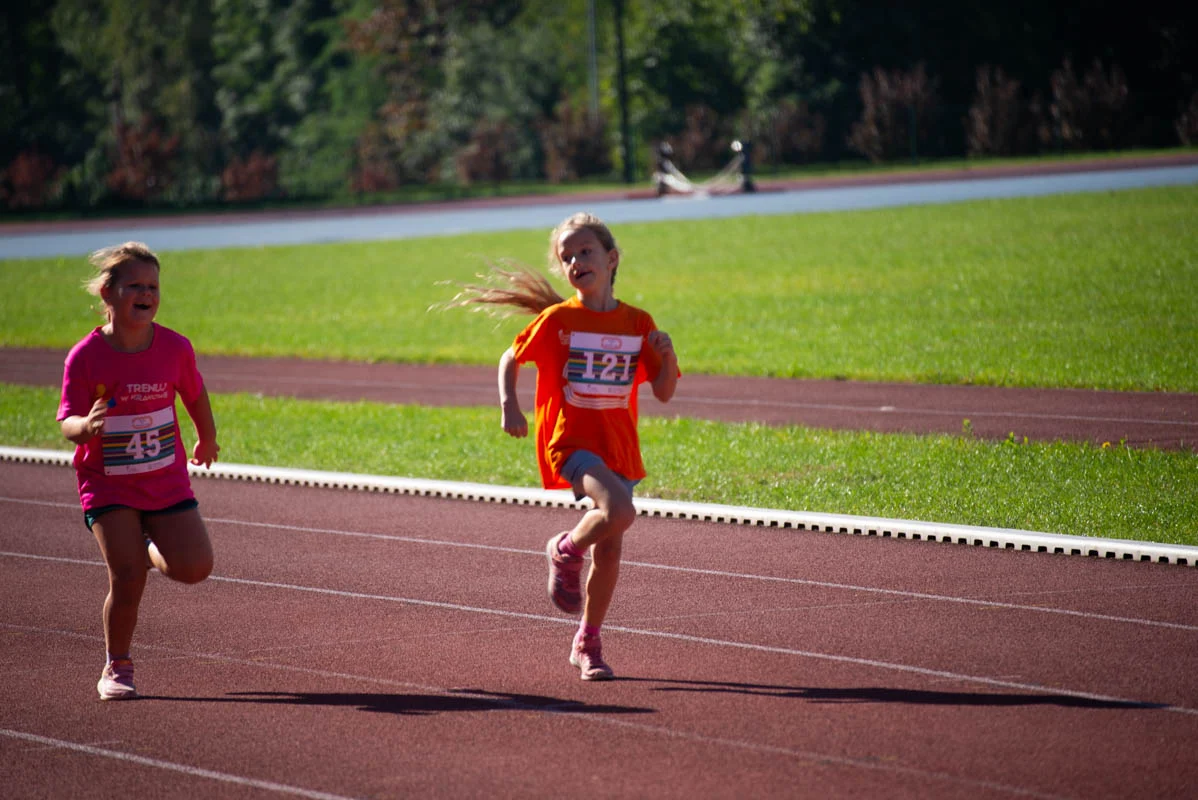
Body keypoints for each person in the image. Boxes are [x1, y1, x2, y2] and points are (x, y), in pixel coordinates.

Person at [446, 212, 679, 680]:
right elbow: (511, 357)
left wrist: (668, 353)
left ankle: (587, 641)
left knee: (610, 550)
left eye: (585, 252)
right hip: (572, 443)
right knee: (619, 512)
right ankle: (564, 549)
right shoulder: (558, 321)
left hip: (620, 448)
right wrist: (510, 404)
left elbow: (665, 390)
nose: (575, 262)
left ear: (611, 259)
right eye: (566, 257)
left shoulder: (637, 323)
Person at [57, 242, 219, 701]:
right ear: (109, 293)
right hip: (108, 483)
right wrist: (85, 426)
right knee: (126, 579)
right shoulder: (86, 356)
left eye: (153, 286)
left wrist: (206, 437)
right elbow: (67, 419)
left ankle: (149, 547)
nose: (146, 294)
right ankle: (117, 665)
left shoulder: (174, 347)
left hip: (165, 479)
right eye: (135, 286)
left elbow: (194, 393)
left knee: (195, 567)